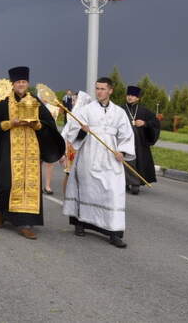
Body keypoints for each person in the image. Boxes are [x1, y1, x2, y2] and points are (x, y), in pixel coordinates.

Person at [0, 66, 65, 240]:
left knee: (30, 185)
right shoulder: (2, 102)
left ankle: (25, 223)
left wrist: (37, 125)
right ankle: (2, 211)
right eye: (18, 82)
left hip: (31, 151)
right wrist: (9, 123)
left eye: (24, 82)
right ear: (12, 84)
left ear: (28, 83)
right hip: (7, 149)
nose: (21, 85)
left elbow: (49, 126)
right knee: (7, 184)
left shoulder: (36, 103)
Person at [62, 78, 136, 248]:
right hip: (89, 157)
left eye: (103, 89)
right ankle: (81, 223)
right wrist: (82, 131)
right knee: (87, 190)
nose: (99, 92)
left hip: (110, 159)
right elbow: (72, 134)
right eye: (97, 88)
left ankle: (114, 232)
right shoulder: (86, 110)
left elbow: (126, 135)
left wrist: (122, 152)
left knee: (113, 193)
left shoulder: (119, 112)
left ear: (110, 90)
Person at [122, 85, 160, 195]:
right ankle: (123, 182)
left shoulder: (144, 111)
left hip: (139, 142)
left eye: (133, 96)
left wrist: (145, 123)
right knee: (123, 162)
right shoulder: (120, 109)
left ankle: (135, 184)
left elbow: (156, 123)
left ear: (138, 98)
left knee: (138, 162)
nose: (130, 97)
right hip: (123, 141)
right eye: (128, 95)